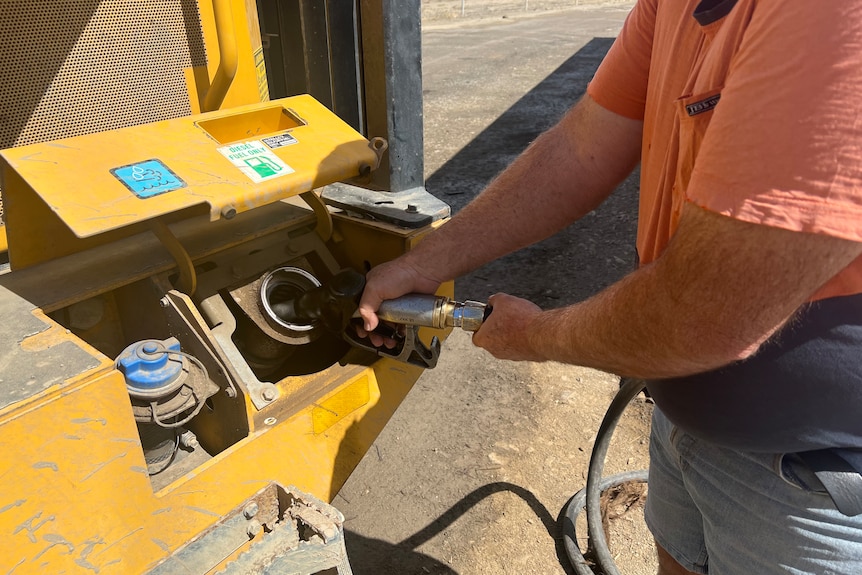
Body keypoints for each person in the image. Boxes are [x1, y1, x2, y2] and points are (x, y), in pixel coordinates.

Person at [357, 0, 862, 573]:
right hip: (682, 417)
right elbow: (581, 147)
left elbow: (702, 315)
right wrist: (428, 261)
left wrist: (534, 335)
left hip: (811, 485)